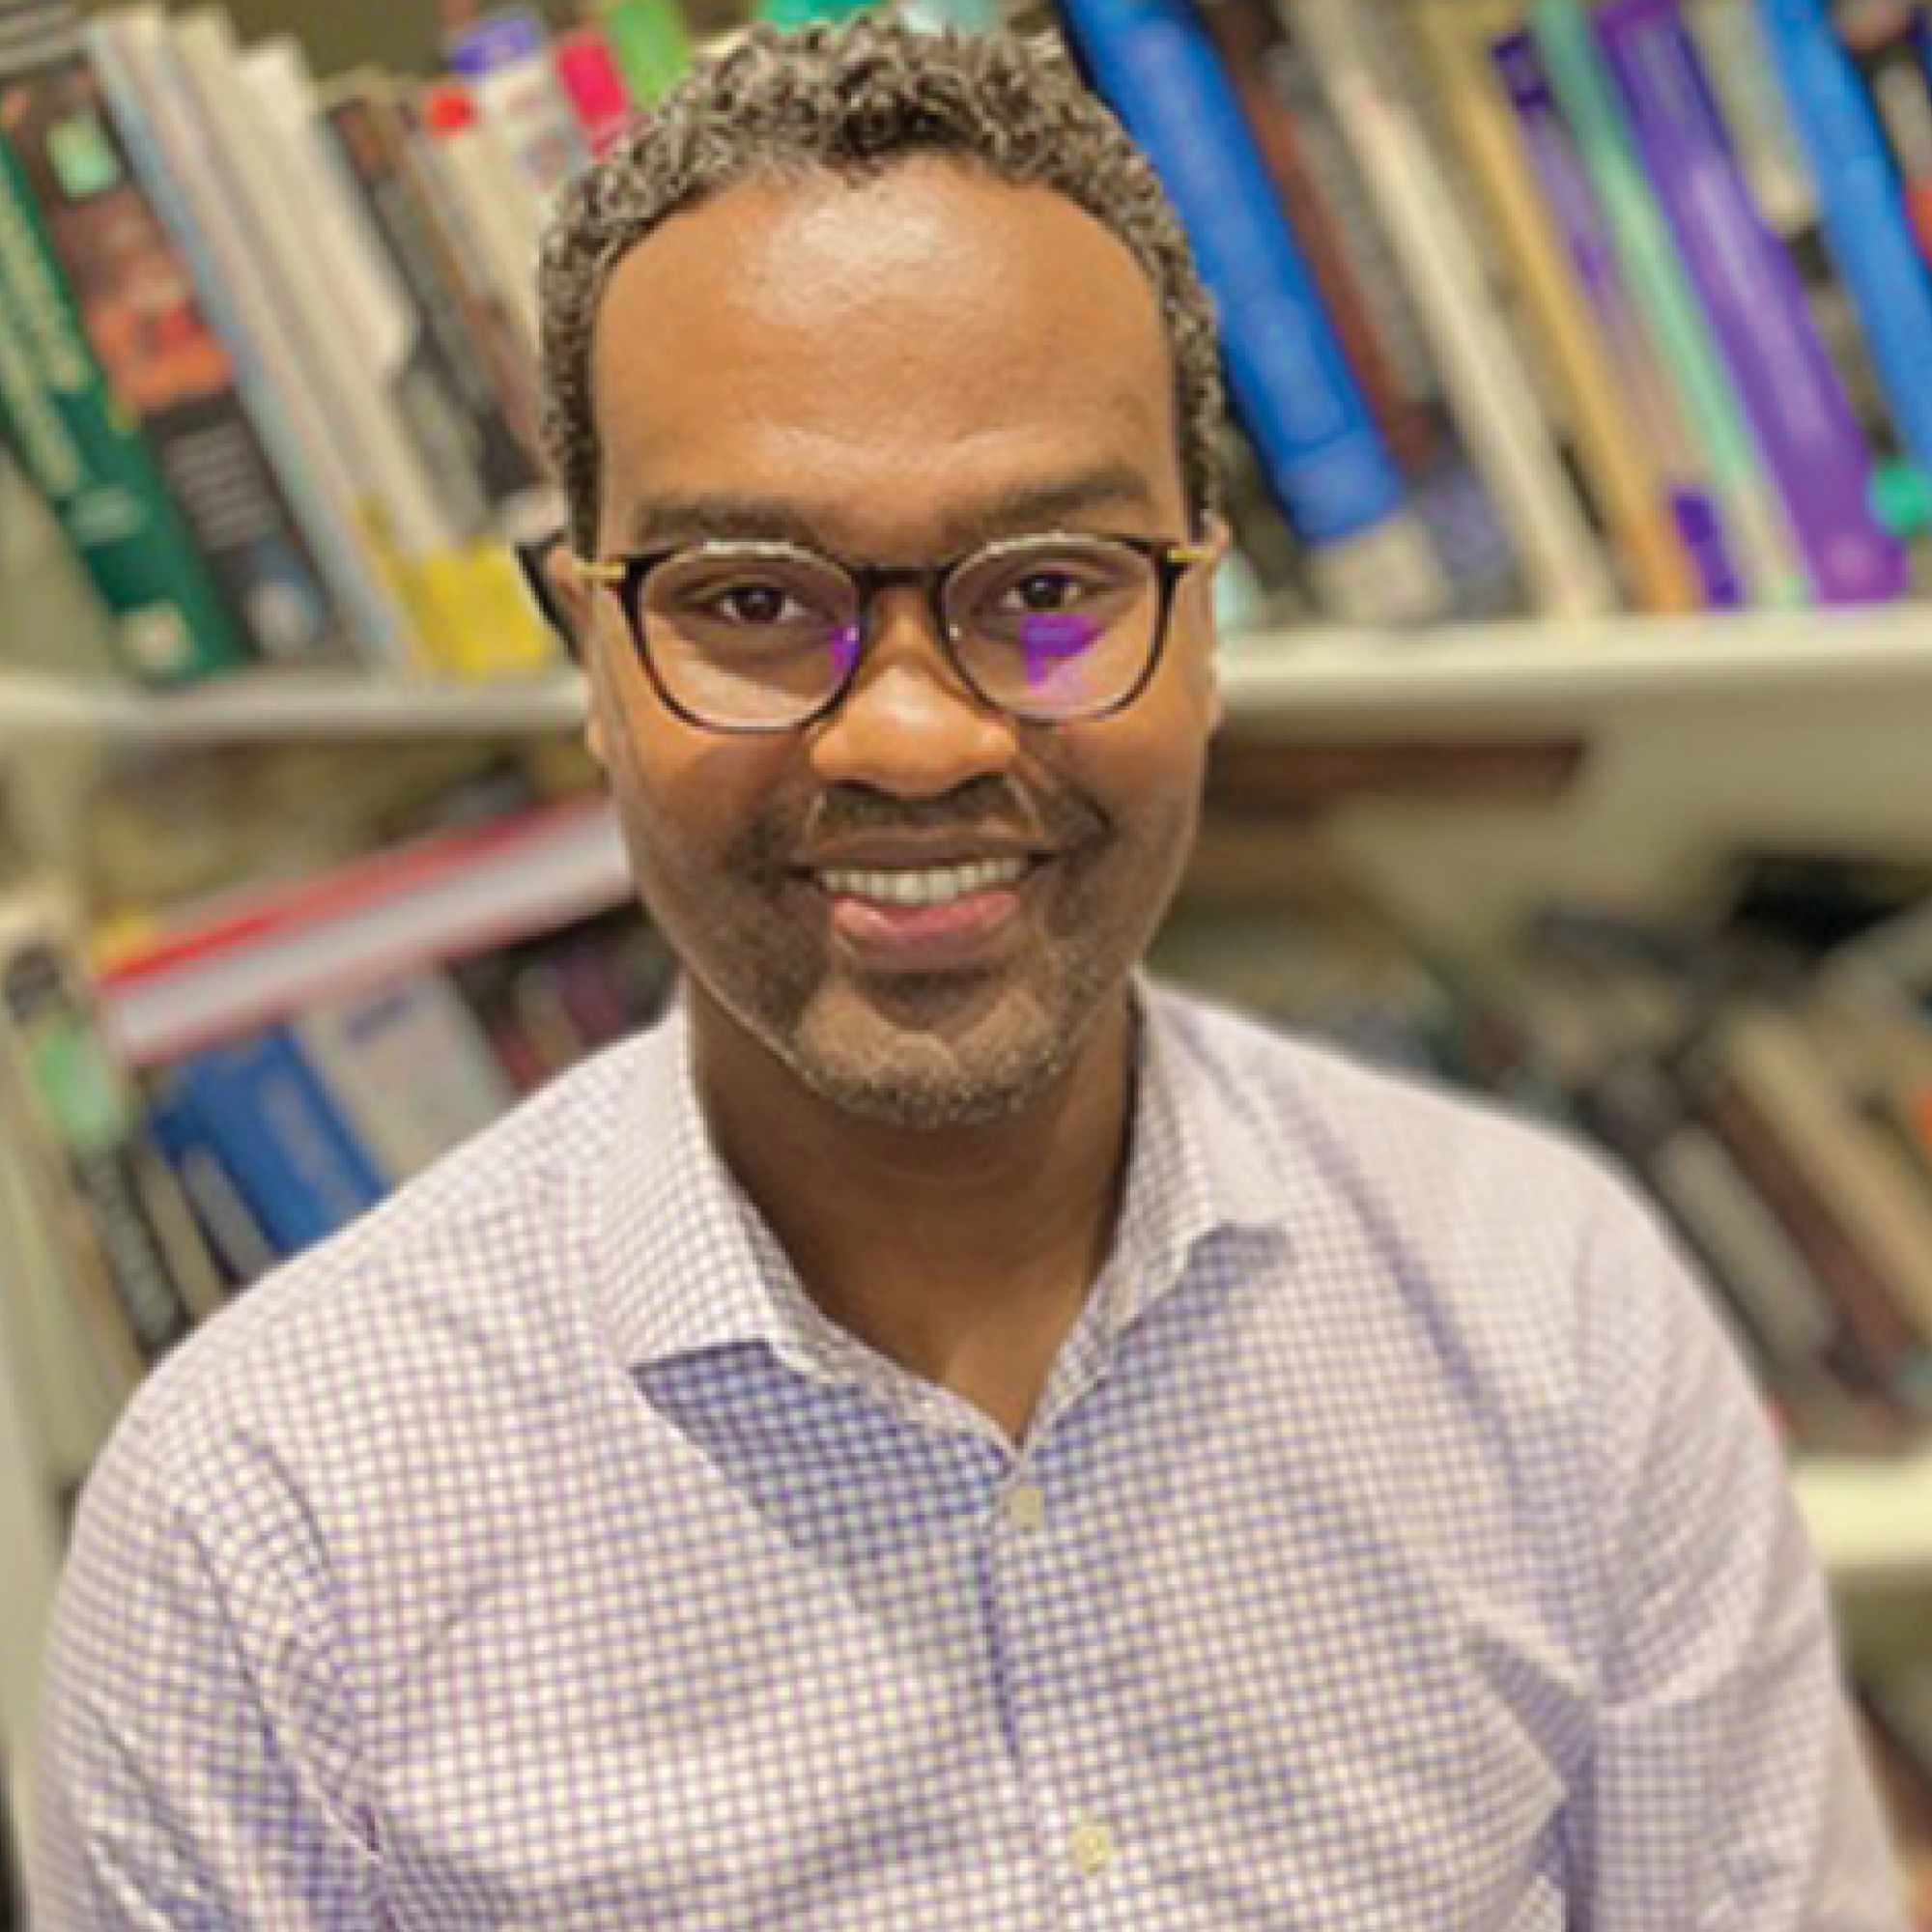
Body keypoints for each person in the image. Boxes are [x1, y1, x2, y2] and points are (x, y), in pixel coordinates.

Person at [31, 20, 1910, 1929]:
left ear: (1203, 618)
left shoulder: (1558, 1321)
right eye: (751, 601)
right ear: (590, 656)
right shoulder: (261, 1536)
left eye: (1045, 585)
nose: (912, 736)